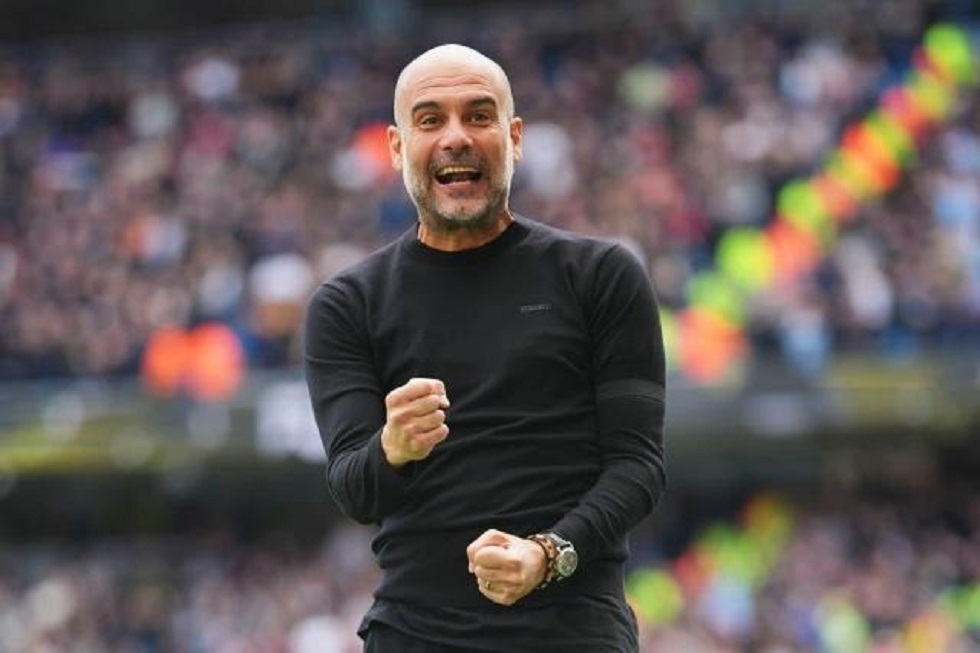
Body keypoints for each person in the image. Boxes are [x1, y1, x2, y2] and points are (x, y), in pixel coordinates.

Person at [304, 43, 666, 652]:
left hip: (574, 633)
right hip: (414, 635)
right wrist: (392, 447)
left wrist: (547, 554)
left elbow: (638, 466)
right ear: (396, 147)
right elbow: (354, 489)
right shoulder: (347, 305)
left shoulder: (600, 276)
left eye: (478, 116)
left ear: (514, 137)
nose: (456, 137)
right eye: (430, 120)